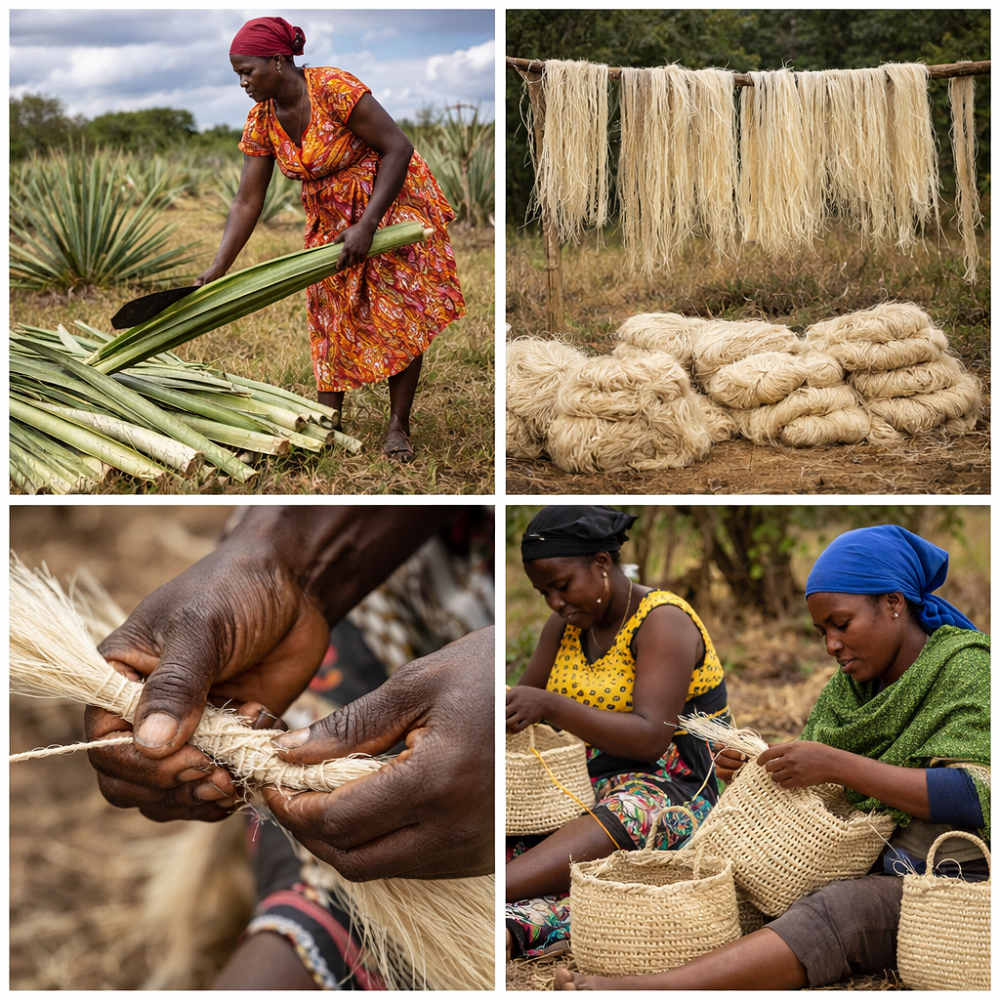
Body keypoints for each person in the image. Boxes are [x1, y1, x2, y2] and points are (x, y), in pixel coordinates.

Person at [554, 523, 990, 990]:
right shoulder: (848, 692)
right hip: (855, 859)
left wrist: (834, 764)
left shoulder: (965, 667)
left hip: (947, 880)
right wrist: (757, 773)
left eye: (842, 625)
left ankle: (647, 991)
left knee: (837, 910)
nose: (831, 647)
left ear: (894, 603)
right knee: (727, 886)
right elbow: (825, 801)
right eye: (822, 631)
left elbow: (974, 794)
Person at [83, 505, 494, 989]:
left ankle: (327, 938)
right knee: (330, 816)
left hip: (482, 651)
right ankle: (316, 929)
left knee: (371, 835)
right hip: (403, 575)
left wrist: (495, 694)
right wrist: (285, 562)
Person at [200, 17, 466, 462]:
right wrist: (217, 269)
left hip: (390, 205)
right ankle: (328, 421)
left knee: (399, 315)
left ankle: (398, 425)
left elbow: (397, 147)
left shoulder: (333, 88)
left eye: (248, 71)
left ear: (279, 61)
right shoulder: (262, 120)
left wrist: (369, 224)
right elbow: (247, 201)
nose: (243, 82)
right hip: (328, 220)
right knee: (330, 316)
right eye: (237, 74)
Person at [506, 505, 732, 960]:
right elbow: (519, 710)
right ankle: (526, 916)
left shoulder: (663, 620)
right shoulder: (565, 625)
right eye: (542, 592)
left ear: (603, 563)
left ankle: (492, 896)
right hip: (587, 787)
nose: (554, 602)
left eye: (562, 586)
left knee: (631, 811)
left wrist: (552, 705)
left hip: (675, 792)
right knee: (517, 834)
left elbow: (650, 737)